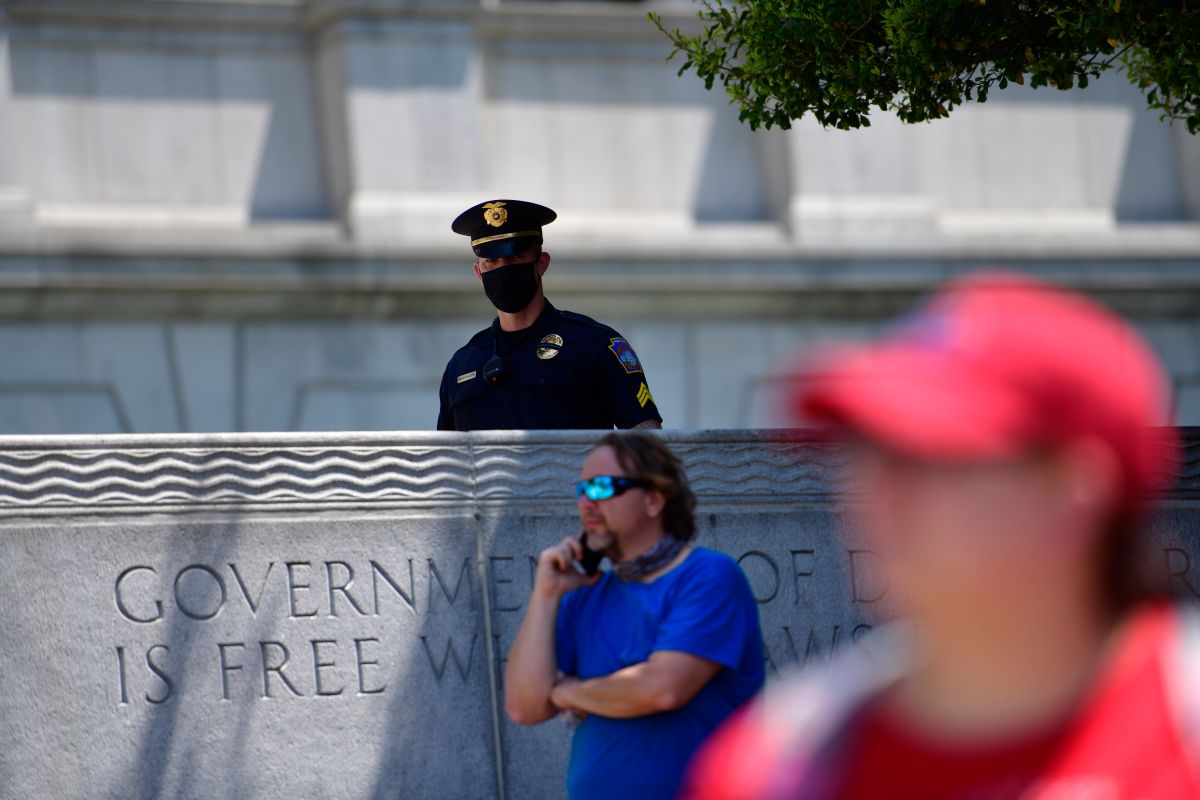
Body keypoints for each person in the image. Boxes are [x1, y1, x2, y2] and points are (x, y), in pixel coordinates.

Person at [682, 272, 1200, 799]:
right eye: (870, 453)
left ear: (1073, 498)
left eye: (927, 456)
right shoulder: (773, 769)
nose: (875, 494)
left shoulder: (1185, 730)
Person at [504, 431, 765, 800]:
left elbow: (661, 688)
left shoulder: (708, 576)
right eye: (581, 490)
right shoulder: (586, 593)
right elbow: (524, 706)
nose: (586, 503)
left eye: (601, 487)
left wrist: (566, 691)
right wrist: (545, 595)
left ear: (654, 500)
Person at [438, 199, 663, 431]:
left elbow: (649, 448)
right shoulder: (461, 366)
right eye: (491, 261)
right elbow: (445, 461)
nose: (503, 269)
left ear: (541, 263)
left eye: (516, 257)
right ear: (479, 272)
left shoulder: (595, 345)